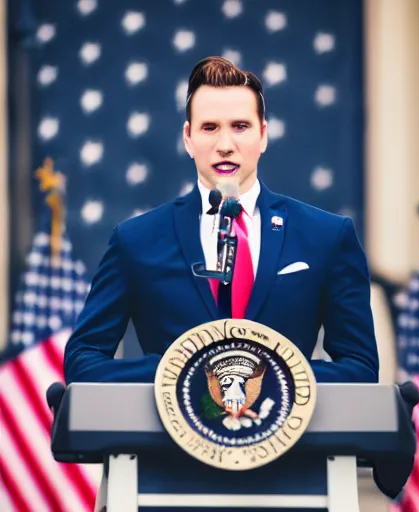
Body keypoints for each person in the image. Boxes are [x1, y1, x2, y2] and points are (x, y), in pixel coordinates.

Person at [63, 56, 379, 385]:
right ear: (188, 138)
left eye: (240, 127)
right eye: (209, 127)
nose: (225, 145)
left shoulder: (326, 236)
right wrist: (183, 372)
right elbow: (83, 361)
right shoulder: (136, 240)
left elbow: (360, 367)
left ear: (263, 135)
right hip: (168, 434)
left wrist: (268, 374)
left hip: (291, 433)